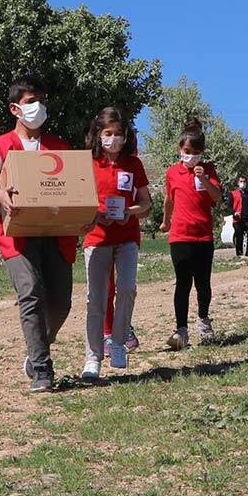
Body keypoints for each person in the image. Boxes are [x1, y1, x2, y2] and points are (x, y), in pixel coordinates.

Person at [0, 76, 75, 392]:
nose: (39, 107)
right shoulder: (0, 146)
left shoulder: (60, 147)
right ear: (15, 108)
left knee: (60, 303)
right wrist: (2, 195)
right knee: (30, 292)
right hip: (16, 235)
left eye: (42, 100)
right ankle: (43, 370)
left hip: (57, 233)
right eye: (32, 101)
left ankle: (36, 350)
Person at [81, 106, 151, 379]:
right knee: (95, 299)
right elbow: (78, 201)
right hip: (97, 239)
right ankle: (93, 358)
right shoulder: (88, 163)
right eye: (108, 133)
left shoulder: (134, 164)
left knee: (126, 288)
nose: (113, 138)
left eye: (118, 133)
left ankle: (119, 344)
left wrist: (129, 212)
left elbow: (145, 203)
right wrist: (95, 215)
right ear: (98, 134)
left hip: (127, 239)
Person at [159, 119, 223, 349]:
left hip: (203, 236)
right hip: (180, 236)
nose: (191, 156)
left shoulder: (209, 170)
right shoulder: (172, 173)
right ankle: (181, 331)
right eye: (187, 151)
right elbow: (169, 199)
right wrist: (165, 222)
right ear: (180, 150)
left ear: (201, 153)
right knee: (182, 283)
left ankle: (204, 321)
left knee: (203, 283)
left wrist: (203, 178)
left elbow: (216, 197)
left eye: (195, 153)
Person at [231, 175, 248, 258]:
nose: (242, 183)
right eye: (241, 181)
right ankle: (239, 254)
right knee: (239, 237)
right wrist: (234, 213)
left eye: (244, 181)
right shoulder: (233, 194)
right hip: (238, 220)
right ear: (238, 183)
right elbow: (229, 207)